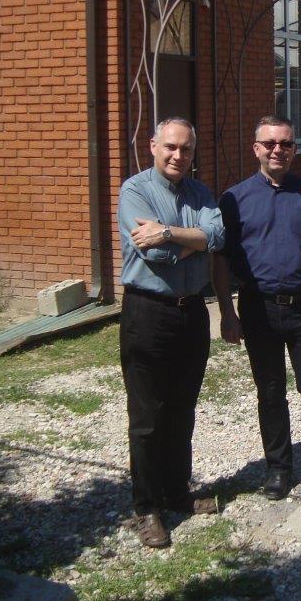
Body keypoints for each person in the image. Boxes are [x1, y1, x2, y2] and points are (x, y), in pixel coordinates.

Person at [212, 116, 301, 501]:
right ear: (256, 148)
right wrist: (227, 312)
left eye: (286, 143)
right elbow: (219, 259)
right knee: (271, 392)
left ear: (294, 149)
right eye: (270, 143)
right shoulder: (234, 199)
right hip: (258, 309)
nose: (278, 150)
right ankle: (279, 468)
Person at [117, 117, 225, 548]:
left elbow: (218, 235)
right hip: (148, 313)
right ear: (153, 146)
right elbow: (153, 254)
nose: (179, 155)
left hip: (192, 312)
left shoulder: (200, 192)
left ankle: (177, 492)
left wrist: (168, 233)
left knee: (182, 408)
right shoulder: (135, 191)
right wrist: (192, 244)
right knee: (147, 416)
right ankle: (147, 508)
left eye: (186, 149)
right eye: (171, 147)